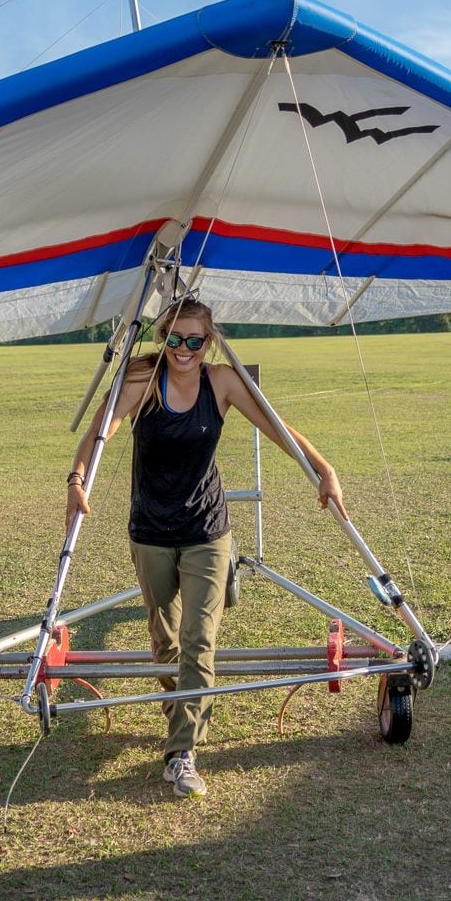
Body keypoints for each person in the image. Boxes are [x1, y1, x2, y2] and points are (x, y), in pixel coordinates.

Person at [66, 298, 347, 797]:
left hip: (207, 531)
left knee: (198, 641)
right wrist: (76, 481)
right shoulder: (140, 380)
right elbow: (97, 435)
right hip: (150, 532)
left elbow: (279, 427)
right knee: (166, 642)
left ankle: (181, 753)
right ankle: (187, 712)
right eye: (175, 339)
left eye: (195, 341)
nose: (185, 350)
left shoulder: (223, 382)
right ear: (163, 339)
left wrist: (324, 470)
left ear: (209, 341)